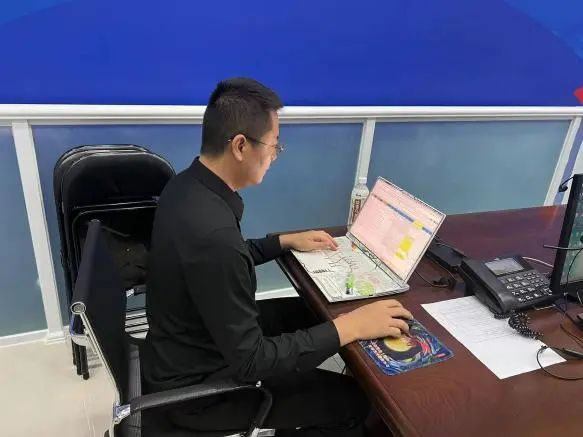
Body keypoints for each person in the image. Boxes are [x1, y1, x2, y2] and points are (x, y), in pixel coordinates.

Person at [142, 77, 413, 436]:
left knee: (305, 313)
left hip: (189, 343)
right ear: (240, 146)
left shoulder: (186, 187)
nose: (274, 156)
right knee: (355, 401)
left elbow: (219, 261)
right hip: (202, 392)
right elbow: (252, 361)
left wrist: (282, 242)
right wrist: (352, 327)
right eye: (273, 146)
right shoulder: (214, 235)